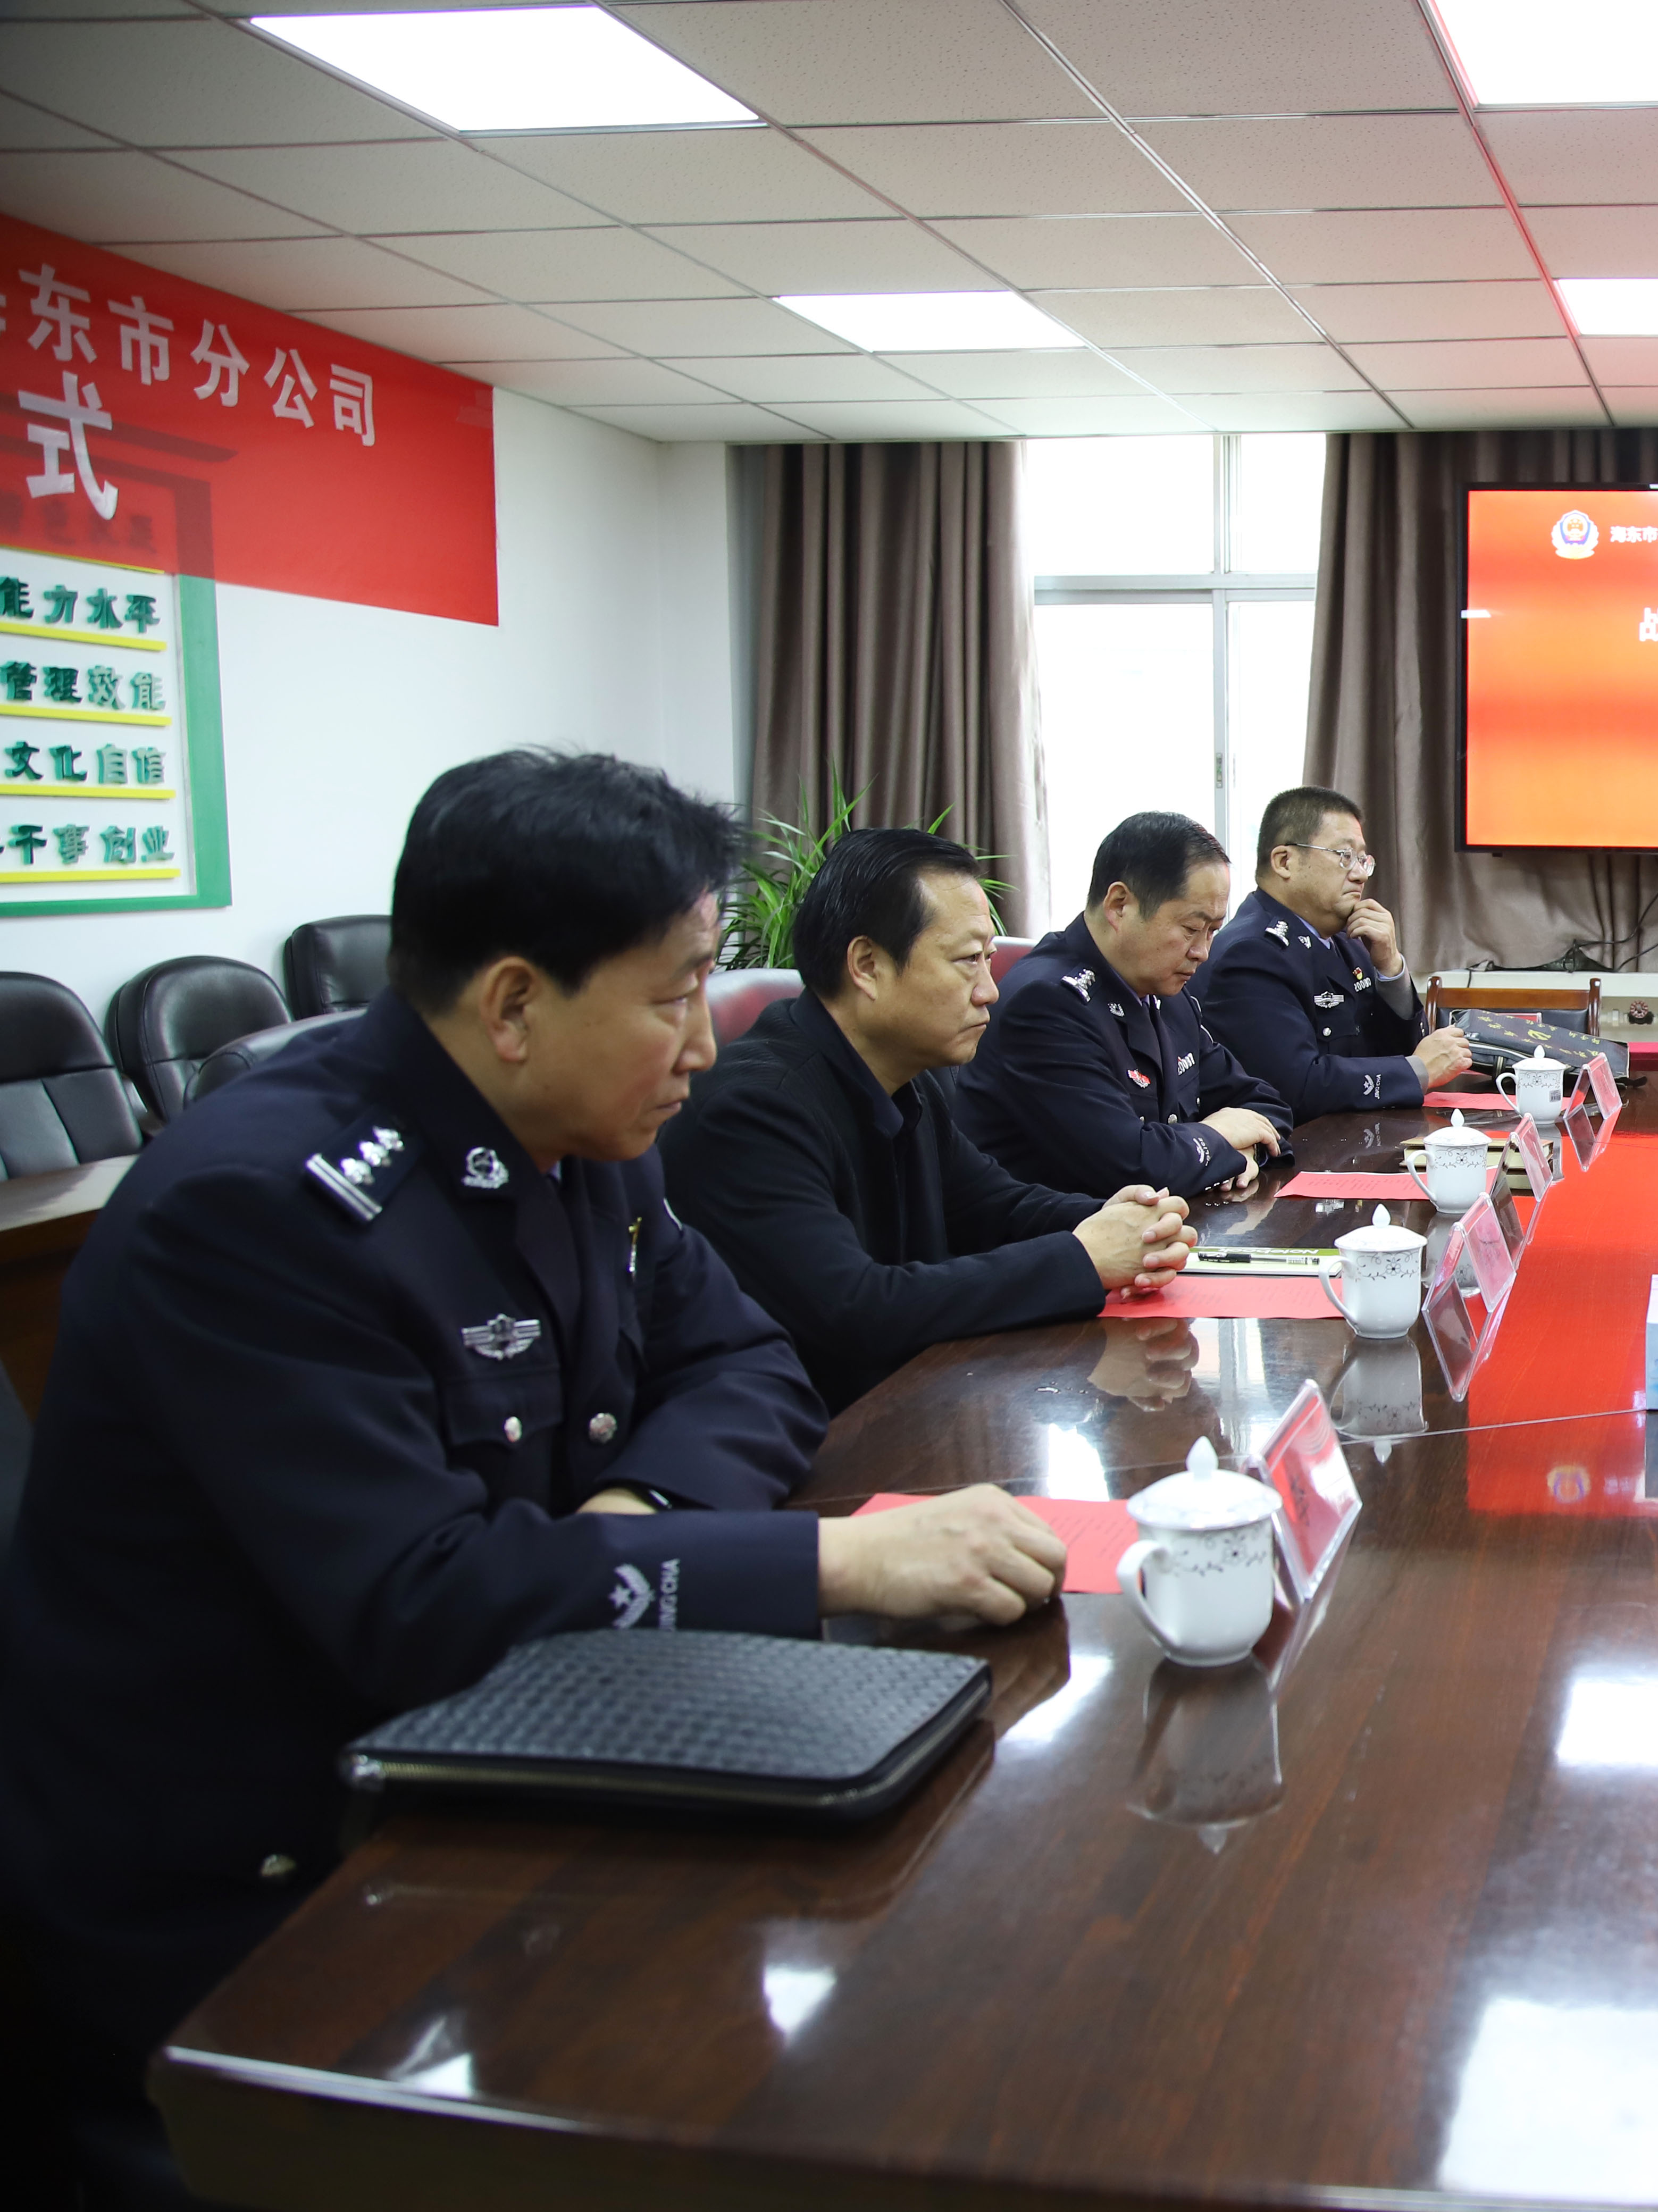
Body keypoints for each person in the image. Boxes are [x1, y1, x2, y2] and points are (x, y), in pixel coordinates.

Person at [0, 753, 1077, 2203]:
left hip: (517, 1742)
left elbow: (748, 1361)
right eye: (674, 996)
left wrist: (636, 1524)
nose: (703, 1046)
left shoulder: (581, 1139)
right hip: (269, 1894)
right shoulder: (261, 1212)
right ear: (513, 1005)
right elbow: (421, 1604)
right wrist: (833, 1560)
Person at [661, 827, 1200, 1413]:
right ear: (867, 965)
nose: (990, 991)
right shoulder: (754, 1109)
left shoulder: (908, 1076)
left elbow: (991, 1205)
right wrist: (1084, 1258)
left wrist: (1122, 1220)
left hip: (915, 1404)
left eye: (988, 960)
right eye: (967, 961)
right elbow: (857, 1308)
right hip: (817, 1435)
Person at [955, 811, 1294, 1201]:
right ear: (1119, 905)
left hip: (1167, 1225)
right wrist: (1219, 1137)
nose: (1202, 952)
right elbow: (1134, 1166)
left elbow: (1267, 1104)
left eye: (1213, 931)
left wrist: (1244, 1152)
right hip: (1068, 1234)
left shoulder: (1166, 992)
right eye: (1190, 929)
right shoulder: (1046, 1005)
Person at [1195, 785, 1472, 1117]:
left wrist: (1390, 968)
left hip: (1361, 1132)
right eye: (1345, 856)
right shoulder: (1251, 953)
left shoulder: (1349, 940)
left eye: (1363, 860)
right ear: (1285, 862)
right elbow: (1296, 1087)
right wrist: (1418, 1070)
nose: (1360, 874)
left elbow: (1408, 1052)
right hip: (1298, 1144)